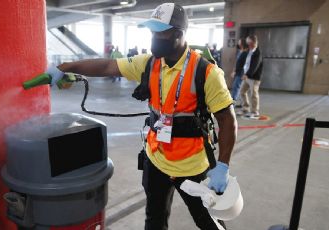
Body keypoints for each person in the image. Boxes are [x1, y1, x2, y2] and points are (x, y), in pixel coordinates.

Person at [45, 3, 236, 230]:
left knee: (208, 222)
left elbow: (227, 121)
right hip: (156, 160)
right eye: (151, 32)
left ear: (178, 33)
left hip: (192, 167)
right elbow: (107, 66)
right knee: (154, 220)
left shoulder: (206, 73)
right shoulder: (148, 64)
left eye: (159, 32)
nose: (153, 38)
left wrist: (222, 166)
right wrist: (64, 67)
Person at [237, 35, 263, 119]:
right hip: (247, 77)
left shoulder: (257, 53)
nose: (248, 45)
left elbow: (254, 66)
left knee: (254, 94)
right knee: (242, 92)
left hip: (254, 78)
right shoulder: (249, 51)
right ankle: (245, 108)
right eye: (248, 43)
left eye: (250, 43)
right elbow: (246, 63)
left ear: (254, 42)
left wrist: (246, 74)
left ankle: (255, 112)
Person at [230, 38, 248, 107]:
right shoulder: (240, 52)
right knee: (238, 88)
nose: (238, 43)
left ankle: (233, 104)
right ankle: (241, 103)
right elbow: (237, 63)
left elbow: (242, 64)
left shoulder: (245, 53)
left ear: (242, 43)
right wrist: (234, 71)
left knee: (236, 87)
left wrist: (237, 71)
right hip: (237, 72)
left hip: (241, 73)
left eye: (239, 42)